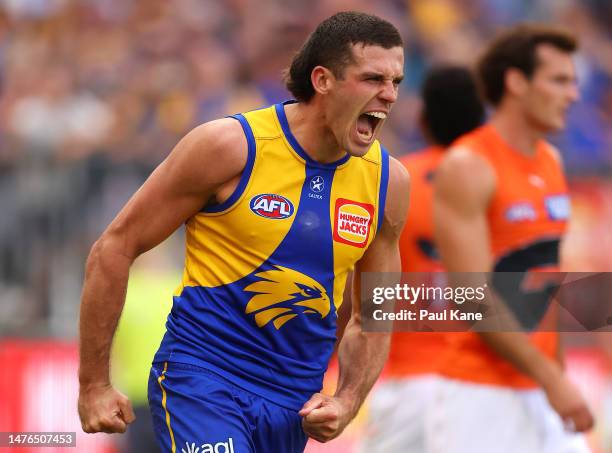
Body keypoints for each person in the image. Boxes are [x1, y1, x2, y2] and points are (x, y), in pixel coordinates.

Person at [77, 11, 410, 453]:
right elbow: (115, 247)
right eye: (372, 79)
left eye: (396, 82)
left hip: (292, 403)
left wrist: (348, 399)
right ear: (323, 80)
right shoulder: (229, 146)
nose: (389, 95)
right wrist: (94, 383)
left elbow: (374, 313)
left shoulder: (389, 183)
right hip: (202, 378)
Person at [432, 24, 594, 453]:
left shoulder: (552, 160)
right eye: (559, 80)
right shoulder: (467, 165)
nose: (573, 95)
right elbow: (469, 294)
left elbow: (547, 278)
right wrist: (552, 378)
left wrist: (556, 375)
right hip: (480, 393)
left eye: (575, 82)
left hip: (542, 387)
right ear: (516, 82)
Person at [361, 65, 484, 452]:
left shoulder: (394, 182)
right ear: (483, 120)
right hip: (483, 385)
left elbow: (362, 295)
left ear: (424, 120)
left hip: (407, 383)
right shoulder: (501, 183)